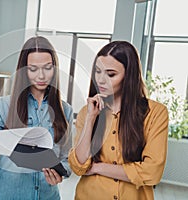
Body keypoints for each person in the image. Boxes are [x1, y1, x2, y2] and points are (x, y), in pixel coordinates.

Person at [0, 36, 73, 199]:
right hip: (8, 194)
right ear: (24, 70)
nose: (41, 76)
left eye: (47, 68)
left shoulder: (65, 110)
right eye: (33, 69)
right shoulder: (4, 106)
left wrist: (60, 173)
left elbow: (67, 159)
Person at [68, 41, 169, 200]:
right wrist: (91, 118)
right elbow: (79, 166)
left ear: (129, 75)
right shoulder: (87, 112)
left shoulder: (155, 113)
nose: (101, 80)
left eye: (110, 74)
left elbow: (152, 172)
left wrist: (97, 168)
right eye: (97, 71)